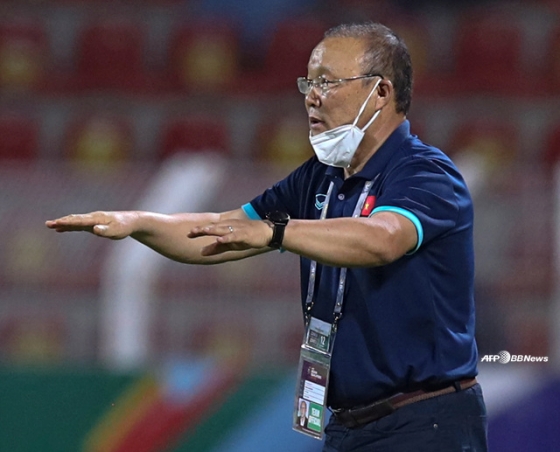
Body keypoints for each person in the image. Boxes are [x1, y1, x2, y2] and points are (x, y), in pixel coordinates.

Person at [46, 22, 488, 452]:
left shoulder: (425, 172)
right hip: (348, 426)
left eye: (328, 82)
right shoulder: (320, 177)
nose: (312, 96)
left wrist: (276, 232)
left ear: (381, 92)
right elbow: (221, 232)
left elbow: (383, 238)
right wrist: (139, 222)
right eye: (309, 83)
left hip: (425, 422)